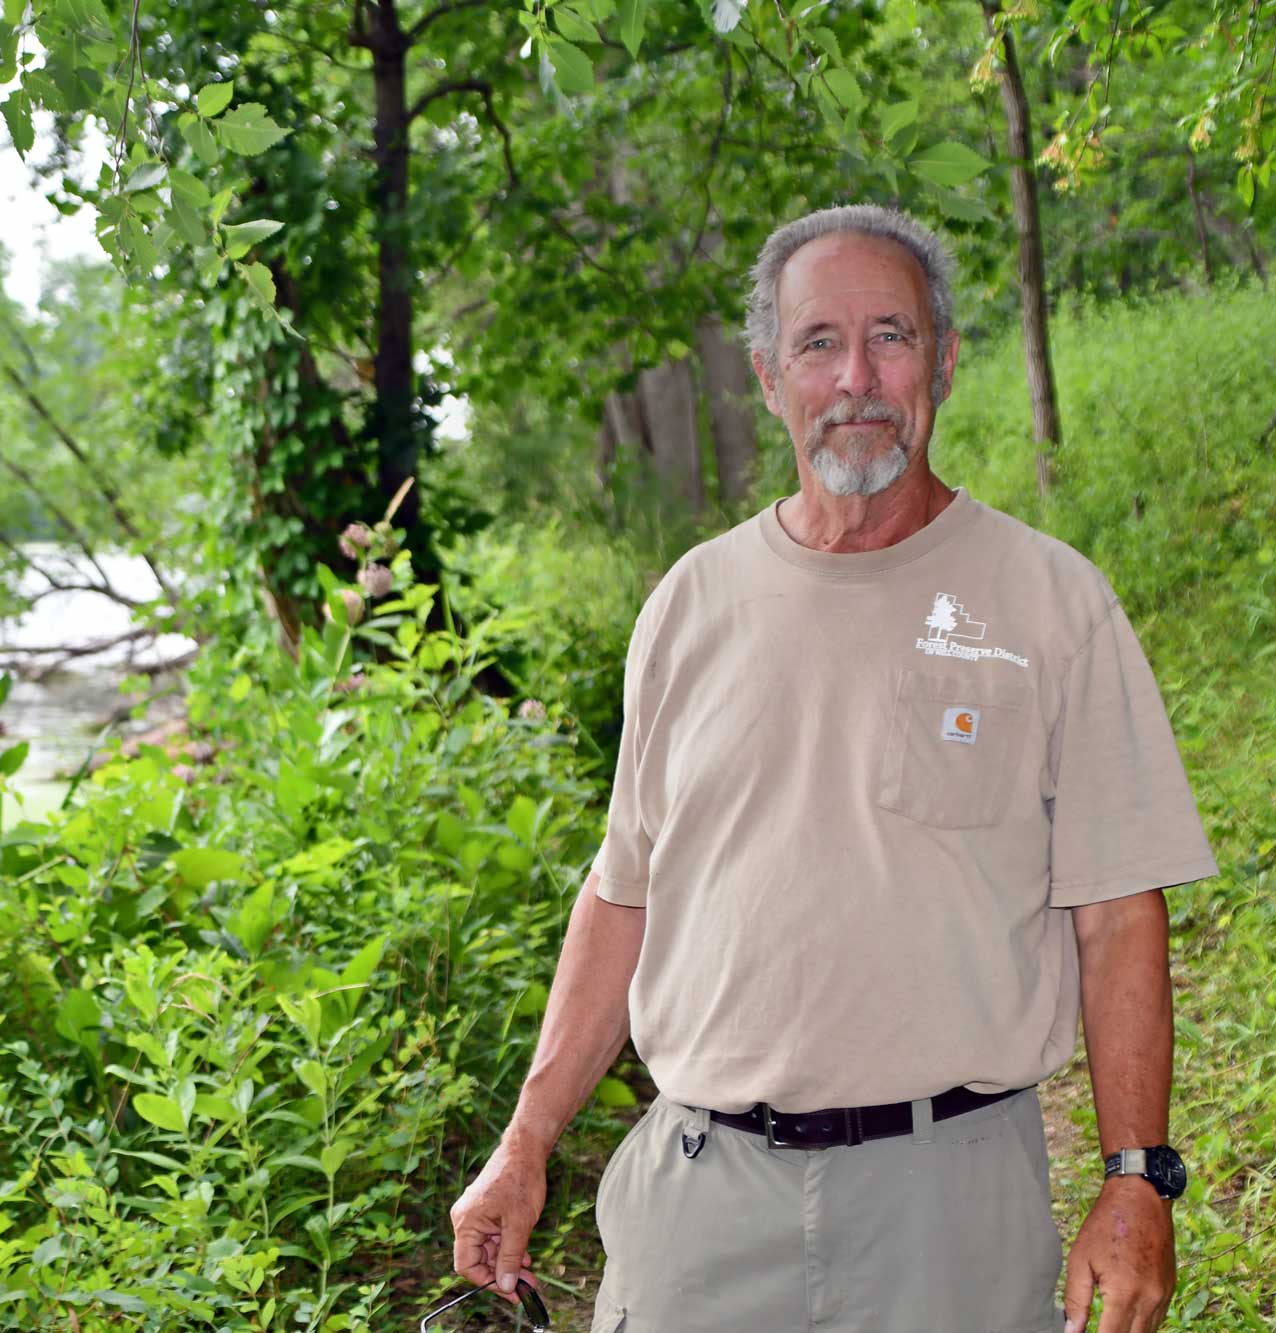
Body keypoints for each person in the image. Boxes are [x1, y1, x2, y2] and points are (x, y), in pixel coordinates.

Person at [447, 203, 1218, 1333]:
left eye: (890, 337)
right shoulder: (689, 606)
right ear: (768, 376)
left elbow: (1115, 916)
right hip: (698, 1205)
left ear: (942, 362)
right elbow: (623, 895)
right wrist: (524, 1144)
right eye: (817, 343)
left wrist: (1133, 1174)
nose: (854, 375)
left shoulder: (1050, 601)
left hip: (946, 1205)